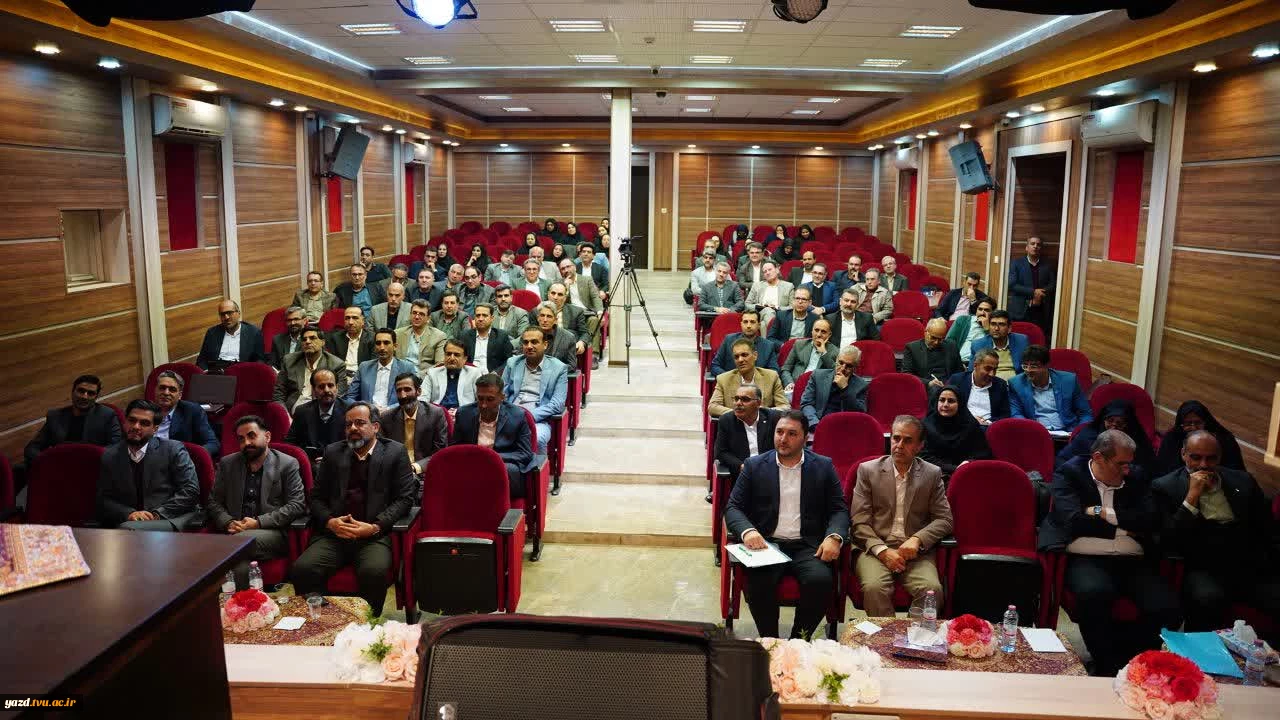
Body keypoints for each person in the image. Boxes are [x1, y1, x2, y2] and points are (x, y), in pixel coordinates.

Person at [1038, 430, 1181, 677]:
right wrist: (1125, 528)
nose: (1127, 470)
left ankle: (1133, 662)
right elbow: (1072, 521)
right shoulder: (1070, 473)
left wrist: (1101, 512)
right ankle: (1105, 665)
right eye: (1121, 464)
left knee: (1167, 606)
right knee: (1095, 592)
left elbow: (1149, 521)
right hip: (1086, 558)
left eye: (1129, 463)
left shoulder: (1137, 477)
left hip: (1132, 560)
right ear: (1098, 458)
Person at [724, 410, 849, 639]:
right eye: (779, 432)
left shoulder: (823, 466)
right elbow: (733, 507)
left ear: (805, 438)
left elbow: (839, 509)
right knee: (758, 582)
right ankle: (771, 641)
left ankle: (798, 641)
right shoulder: (754, 466)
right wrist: (748, 531)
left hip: (808, 545)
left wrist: (834, 536)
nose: (783, 438)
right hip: (767, 544)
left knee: (820, 581)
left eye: (792, 434)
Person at [291, 402, 416, 615]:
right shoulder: (333, 452)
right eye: (348, 425)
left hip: (373, 536)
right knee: (303, 568)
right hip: (335, 534)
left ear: (375, 427)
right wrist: (330, 522)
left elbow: (405, 499)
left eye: (360, 423)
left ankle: (366, 625)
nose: (353, 429)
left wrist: (375, 527)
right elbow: (316, 498)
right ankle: (323, 620)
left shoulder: (395, 452)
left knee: (373, 571)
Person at [1152, 431, 1280, 637]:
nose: (1203, 465)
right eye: (1196, 457)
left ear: (1220, 457)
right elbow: (1168, 539)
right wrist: (1192, 496)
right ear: (1183, 454)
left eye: (1211, 458)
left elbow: (1266, 528)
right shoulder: (1165, 487)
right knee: (1208, 598)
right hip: (1202, 566)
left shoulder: (1243, 480)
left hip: (1247, 564)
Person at [851, 415, 954, 618]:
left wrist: (917, 539)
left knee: (932, 590)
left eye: (907, 440)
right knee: (874, 588)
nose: (899, 445)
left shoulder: (931, 474)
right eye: (896, 438)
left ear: (919, 446)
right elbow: (859, 521)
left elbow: (945, 519)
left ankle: (914, 637)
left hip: (915, 553)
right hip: (874, 548)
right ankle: (885, 638)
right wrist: (882, 551)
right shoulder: (868, 471)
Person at [206, 415, 306, 588]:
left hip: (272, 533)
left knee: (234, 545)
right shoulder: (228, 464)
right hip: (236, 532)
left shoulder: (287, 463)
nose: (246, 443)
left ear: (267, 437)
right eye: (241, 439)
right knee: (239, 568)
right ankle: (244, 603)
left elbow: (296, 505)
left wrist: (257, 523)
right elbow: (213, 502)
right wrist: (228, 522)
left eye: (251, 436)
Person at [96, 399, 201, 531]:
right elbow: (104, 499)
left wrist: (156, 514)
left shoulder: (173, 449)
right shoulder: (110, 455)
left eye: (144, 423)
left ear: (155, 429)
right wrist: (129, 513)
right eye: (132, 420)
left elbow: (190, 490)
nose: (136, 426)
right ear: (124, 422)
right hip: (132, 520)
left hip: (172, 517)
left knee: (127, 530)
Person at [452, 373, 535, 498]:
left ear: (502, 397)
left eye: (490, 399)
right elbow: (455, 448)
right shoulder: (464, 414)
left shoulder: (517, 416)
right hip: (472, 464)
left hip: (501, 464)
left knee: (506, 470)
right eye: (480, 399)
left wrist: (490, 458)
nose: (484, 405)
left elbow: (525, 453)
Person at [24, 375, 122, 466]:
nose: (84, 396)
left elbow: (116, 448)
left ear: (96, 397)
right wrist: (48, 463)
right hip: (59, 468)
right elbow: (32, 448)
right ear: (72, 392)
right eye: (81, 391)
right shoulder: (55, 416)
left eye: (91, 393)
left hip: (91, 468)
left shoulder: (108, 416)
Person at [502, 327, 568, 455]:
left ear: (545, 345)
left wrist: (528, 416)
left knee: (536, 439)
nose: (529, 346)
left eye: (534, 342)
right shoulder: (513, 363)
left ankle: (537, 467)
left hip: (538, 418)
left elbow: (557, 404)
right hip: (511, 414)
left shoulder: (559, 368)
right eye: (525, 342)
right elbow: (502, 394)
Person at [1009, 344, 1092, 432]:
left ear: (1047, 365)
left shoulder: (1069, 381)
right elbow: (1016, 414)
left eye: (1034, 366)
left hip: (1067, 432)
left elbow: (1085, 413)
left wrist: (1079, 432)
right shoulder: (1016, 384)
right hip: (1036, 432)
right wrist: (1030, 429)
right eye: (1025, 366)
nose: (1028, 370)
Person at [379, 372, 448, 478]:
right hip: (395, 473)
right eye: (399, 391)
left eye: (407, 390)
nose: (403, 395)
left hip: (425, 472)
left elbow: (440, 452)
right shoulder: (386, 418)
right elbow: (382, 451)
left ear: (418, 391)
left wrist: (414, 467)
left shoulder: (435, 414)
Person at [1153, 400, 1246, 477]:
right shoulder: (1171, 439)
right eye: (1188, 423)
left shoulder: (1224, 439)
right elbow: (1163, 473)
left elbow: (1236, 474)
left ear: (1206, 422)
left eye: (1198, 423)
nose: (1193, 428)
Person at [1057, 399, 1156, 471]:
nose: (1114, 426)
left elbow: (1147, 469)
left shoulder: (1137, 440)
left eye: (1120, 423)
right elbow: (1062, 459)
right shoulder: (1088, 436)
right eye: (1110, 420)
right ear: (1103, 419)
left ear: (1128, 424)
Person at [712, 385, 780, 483]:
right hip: (743, 475)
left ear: (758, 403)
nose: (738, 403)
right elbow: (721, 452)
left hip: (770, 471)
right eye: (736, 399)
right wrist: (741, 466)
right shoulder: (727, 420)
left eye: (745, 399)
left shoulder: (773, 418)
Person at [921, 387, 992, 479]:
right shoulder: (926, 425)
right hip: (934, 475)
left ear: (960, 404)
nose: (945, 404)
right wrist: (954, 468)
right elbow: (923, 457)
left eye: (951, 401)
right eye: (942, 400)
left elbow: (982, 454)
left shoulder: (970, 425)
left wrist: (969, 462)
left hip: (967, 474)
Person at [708, 338, 788, 419]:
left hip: (763, 424)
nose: (740, 360)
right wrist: (739, 413)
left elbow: (785, 407)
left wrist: (761, 412)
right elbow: (713, 407)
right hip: (735, 424)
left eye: (744, 355)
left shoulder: (771, 377)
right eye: (736, 357)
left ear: (755, 355)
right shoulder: (724, 379)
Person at [274, 326, 347, 412]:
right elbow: (279, 394)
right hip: (293, 407)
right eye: (304, 339)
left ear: (323, 342)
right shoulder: (289, 361)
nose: (307, 342)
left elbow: (337, 396)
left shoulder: (336, 365)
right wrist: (284, 415)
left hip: (322, 408)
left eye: (312, 338)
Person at [150, 370, 220, 458]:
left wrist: (190, 457)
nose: (166, 393)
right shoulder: (145, 411)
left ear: (180, 395)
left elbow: (213, 443)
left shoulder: (192, 411)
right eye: (162, 388)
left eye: (172, 390)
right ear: (155, 390)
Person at [345, 329, 418, 411]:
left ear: (395, 346)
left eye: (386, 343)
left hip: (395, 413)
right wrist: (366, 408)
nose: (382, 347)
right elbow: (350, 397)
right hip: (368, 414)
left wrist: (388, 409)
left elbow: (413, 397)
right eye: (378, 343)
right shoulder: (364, 367)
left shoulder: (406, 367)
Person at [799, 345, 870, 429]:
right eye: (841, 363)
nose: (842, 368)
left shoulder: (861, 385)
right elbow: (806, 403)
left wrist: (845, 389)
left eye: (849, 366)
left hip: (843, 428)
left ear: (855, 368)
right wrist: (816, 424)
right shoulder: (818, 376)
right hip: (817, 424)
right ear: (836, 360)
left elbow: (859, 413)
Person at [284, 370, 348, 460]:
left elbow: (354, 445)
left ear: (337, 387)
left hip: (338, 463)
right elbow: (290, 444)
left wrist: (330, 460)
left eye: (330, 385)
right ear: (313, 390)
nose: (326, 390)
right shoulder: (302, 411)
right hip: (310, 462)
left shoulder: (349, 411)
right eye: (321, 386)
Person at [945, 348, 1011, 426]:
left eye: (995, 369)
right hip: (961, 425)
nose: (992, 374)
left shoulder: (1000, 385)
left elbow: (1005, 414)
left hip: (988, 427)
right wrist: (969, 420)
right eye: (988, 369)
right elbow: (946, 407)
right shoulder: (957, 380)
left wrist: (988, 423)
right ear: (975, 365)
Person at [196, 299, 266, 370]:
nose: (226, 317)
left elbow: (260, 360)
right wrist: (206, 372)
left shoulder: (253, 333)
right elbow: (202, 359)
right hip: (217, 372)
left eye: (229, 313)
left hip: (241, 371)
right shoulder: (212, 333)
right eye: (222, 314)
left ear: (238, 313)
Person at [1008, 236, 1055, 340]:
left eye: (1038, 244)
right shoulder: (1016, 263)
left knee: (1037, 339)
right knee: (1018, 339)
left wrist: (1040, 294)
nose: (1035, 246)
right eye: (1032, 244)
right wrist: (1033, 292)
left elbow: (1052, 284)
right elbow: (1012, 285)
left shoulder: (1047, 265)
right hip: (1020, 310)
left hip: (1041, 310)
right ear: (1027, 247)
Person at [708, 310, 780, 376]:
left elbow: (774, 371)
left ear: (759, 325)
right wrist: (729, 378)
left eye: (752, 322)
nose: (748, 326)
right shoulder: (729, 340)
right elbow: (715, 366)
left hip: (758, 384)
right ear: (741, 324)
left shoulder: (768, 346)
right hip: (731, 383)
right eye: (745, 322)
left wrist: (758, 379)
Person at [901, 318, 964, 392]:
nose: (936, 342)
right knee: (935, 389)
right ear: (925, 332)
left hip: (949, 386)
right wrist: (928, 383)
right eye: (933, 338)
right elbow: (907, 374)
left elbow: (959, 371)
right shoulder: (912, 348)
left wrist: (950, 383)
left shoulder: (951, 346)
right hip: (926, 386)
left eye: (940, 339)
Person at [423, 340, 484, 412]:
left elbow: (481, 401)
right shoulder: (432, 373)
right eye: (448, 354)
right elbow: (422, 399)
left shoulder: (474, 373)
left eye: (456, 355)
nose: (452, 358)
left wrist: (461, 413)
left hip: (464, 414)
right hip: (438, 415)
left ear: (465, 359)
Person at [395, 299, 448, 376]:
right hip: (399, 376)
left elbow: (440, 365)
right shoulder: (398, 334)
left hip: (424, 377)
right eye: (414, 313)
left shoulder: (439, 336)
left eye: (421, 314)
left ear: (428, 318)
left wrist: (418, 376)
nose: (417, 317)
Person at [968, 310, 1027, 380]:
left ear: (1009, 328)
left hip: (1016, 383)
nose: (996, 328)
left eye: (1001, 324)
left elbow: (1027, 367)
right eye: (993, 324)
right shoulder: (978, 345)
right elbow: (971, 372)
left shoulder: (1022, 341)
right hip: (990, 382)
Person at [780, 319, 837, 391]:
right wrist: (789, 383)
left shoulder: (835, 351)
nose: (819, 335)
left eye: (823, 332)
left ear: (829, 334)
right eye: (816, 330)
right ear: (812, 331)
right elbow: (786, 369)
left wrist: (824, 353)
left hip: (816, 390)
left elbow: (836, 373)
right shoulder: (799, 345)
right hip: (795, 386)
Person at [459, 302, 514, 374]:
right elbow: (460, 358)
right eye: (478, 315)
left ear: (492, 318)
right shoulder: (465, 336)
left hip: (492, 376)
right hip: (469, 374)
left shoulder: (501, 336)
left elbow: (509, 360)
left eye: (484, 315)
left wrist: (496, 372)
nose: (480, 319)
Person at [325, 307, 375, 379]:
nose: (350, 322)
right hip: (341, 376)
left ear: (363, 321)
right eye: (347, 318)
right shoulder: (335, 338)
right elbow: (331, 363)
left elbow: (373, 365)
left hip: (363, 376)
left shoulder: (372, 338)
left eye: (355, 318)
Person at [745, 261, 794, 329]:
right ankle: (774, 331)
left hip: (780, 314)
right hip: (761, 314)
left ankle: (770, 334)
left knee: (763, 325)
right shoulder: (757, 286)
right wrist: (758, 306)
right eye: (765, 271)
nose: (767, 273)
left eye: (770, 269)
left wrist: (777, 308)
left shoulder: (788, 286)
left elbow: (793, 306)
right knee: (768, 311)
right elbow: (747, 304)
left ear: (777, 270)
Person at [946, 296, 995, 364]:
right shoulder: (963, 320)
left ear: (992, 313)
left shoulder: (994, 327)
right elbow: (948, 342)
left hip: (980, 364)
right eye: (980, 309)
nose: (982, 313)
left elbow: (995, 348)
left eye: (986, 310)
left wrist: (987, 330)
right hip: (960, 362)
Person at [532, 301, 580, 367]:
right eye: (542, 315)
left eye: (549, 316)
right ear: (538, 318)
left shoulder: (568, 338)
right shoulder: (528, 335)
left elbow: (572, 365)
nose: (545, 320)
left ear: (555, 320)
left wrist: (553, 370)